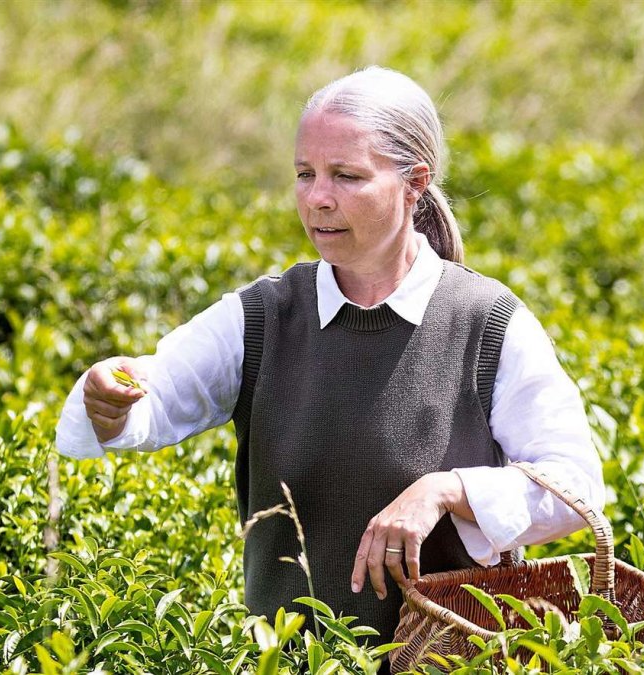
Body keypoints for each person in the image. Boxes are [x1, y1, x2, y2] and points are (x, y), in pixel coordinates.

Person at [56, 66, 605, 656]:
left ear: (414, 182)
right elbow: (157, 393)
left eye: (346, 176)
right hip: (285, 662)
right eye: (304, 174)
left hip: (451, 663)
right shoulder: (264, 315)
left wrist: (446, 491)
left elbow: (576, 485)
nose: (318, 198)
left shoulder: (486, 321)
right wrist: (108, 400)